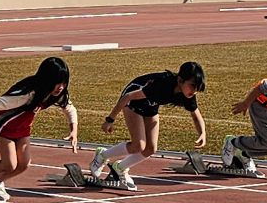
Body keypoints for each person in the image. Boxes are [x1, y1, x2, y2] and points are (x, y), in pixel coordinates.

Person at [0, 57, 78, 203]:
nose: (61, 87)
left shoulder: (57, 94)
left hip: (22, 126)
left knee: (24, 164)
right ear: (47, 80)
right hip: (3, 123)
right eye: (58, 82)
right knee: (9, 164)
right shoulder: (28, 93)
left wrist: (73, 130)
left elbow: (69, 108)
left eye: (64, 82)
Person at [89, 61, 208, 190]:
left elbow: (196, 115)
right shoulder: (161, 84)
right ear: (180, 80)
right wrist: (110, 119)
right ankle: (102, 155)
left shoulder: (188, 95)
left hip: (150, 104)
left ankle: (120, 167)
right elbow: (127, 97)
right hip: (133, 100)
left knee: (151, 148)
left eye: (197, 87)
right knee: (139, 145)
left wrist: (202, 133)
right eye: (192, 85)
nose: (194, 90)